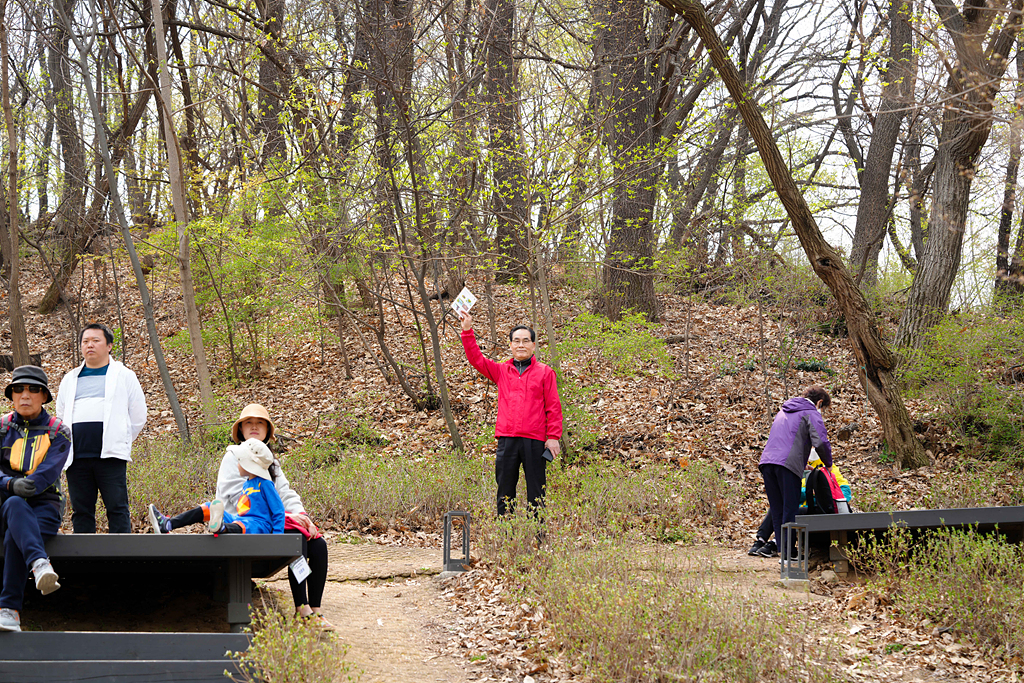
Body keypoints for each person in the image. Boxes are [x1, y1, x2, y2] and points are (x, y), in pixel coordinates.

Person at [459, 313, 563, 516]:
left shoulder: (545, 372)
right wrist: (467, 330)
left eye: (526, 341)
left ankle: (538, 539)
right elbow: (476, 359)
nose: (521, 345)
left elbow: (554, 407)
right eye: (517, 341)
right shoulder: (501, 371)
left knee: (537, 492)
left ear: (533, 345)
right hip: (507, 440)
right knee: (505, 492)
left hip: (534, 441)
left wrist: (553, 438)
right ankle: (505, 538)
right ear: (511, 345)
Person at [55, 323, 147, 534]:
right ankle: (85, 562)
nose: (90, 345)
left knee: (117, 508)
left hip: (111, 456)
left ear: (109, 346)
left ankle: (121, 560)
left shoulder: (124, 375)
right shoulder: (70, 379)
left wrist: (119, 438)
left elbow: (138, 415)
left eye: (96, 341)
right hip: (77, 457)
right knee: (81, 511)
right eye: (85, 341)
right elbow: (61, 415)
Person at [0, 366, 72, 632]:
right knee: (13, 504)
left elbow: (44, 476)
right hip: (4, 503)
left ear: (44, 396)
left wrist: (19, 485)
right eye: (18, 390)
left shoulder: (59, 431)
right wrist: (8, 482)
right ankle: (40, 564)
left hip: (44, 506)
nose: (25, 395)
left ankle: (9, 610)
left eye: (33, 390)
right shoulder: (2, 427)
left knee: (14, 532)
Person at [147, 437, 284, 535]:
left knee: (244, 525)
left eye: (240, 460)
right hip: (240, 519)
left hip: (259, 525)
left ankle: (221, 528)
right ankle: (168, 524)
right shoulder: (247, 483)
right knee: (208, 507)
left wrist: (278, 538)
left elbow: (278, 511)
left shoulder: (265, 484)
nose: (237, 464)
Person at [757, 386, 833, 560]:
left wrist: (802, 461)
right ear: (819, 402)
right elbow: (820, 442)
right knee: (790, 507)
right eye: (823, 408)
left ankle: (783, 551)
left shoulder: (783, 411)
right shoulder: (810, 412)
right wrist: (828, 463)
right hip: (787, 466)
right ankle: (789, 551)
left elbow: (786, 439)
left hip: (767, 462)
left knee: (777, 508)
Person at [749, 450, 851, 557]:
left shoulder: (829, 468)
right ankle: (761, 540)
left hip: (820, 510)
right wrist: (808, 492)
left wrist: (820, 494)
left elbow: (846, 492)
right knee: (777, 508)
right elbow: (792, 493)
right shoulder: (799, 469)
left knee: (790, 513)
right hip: (803, 507)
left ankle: (775, 542)